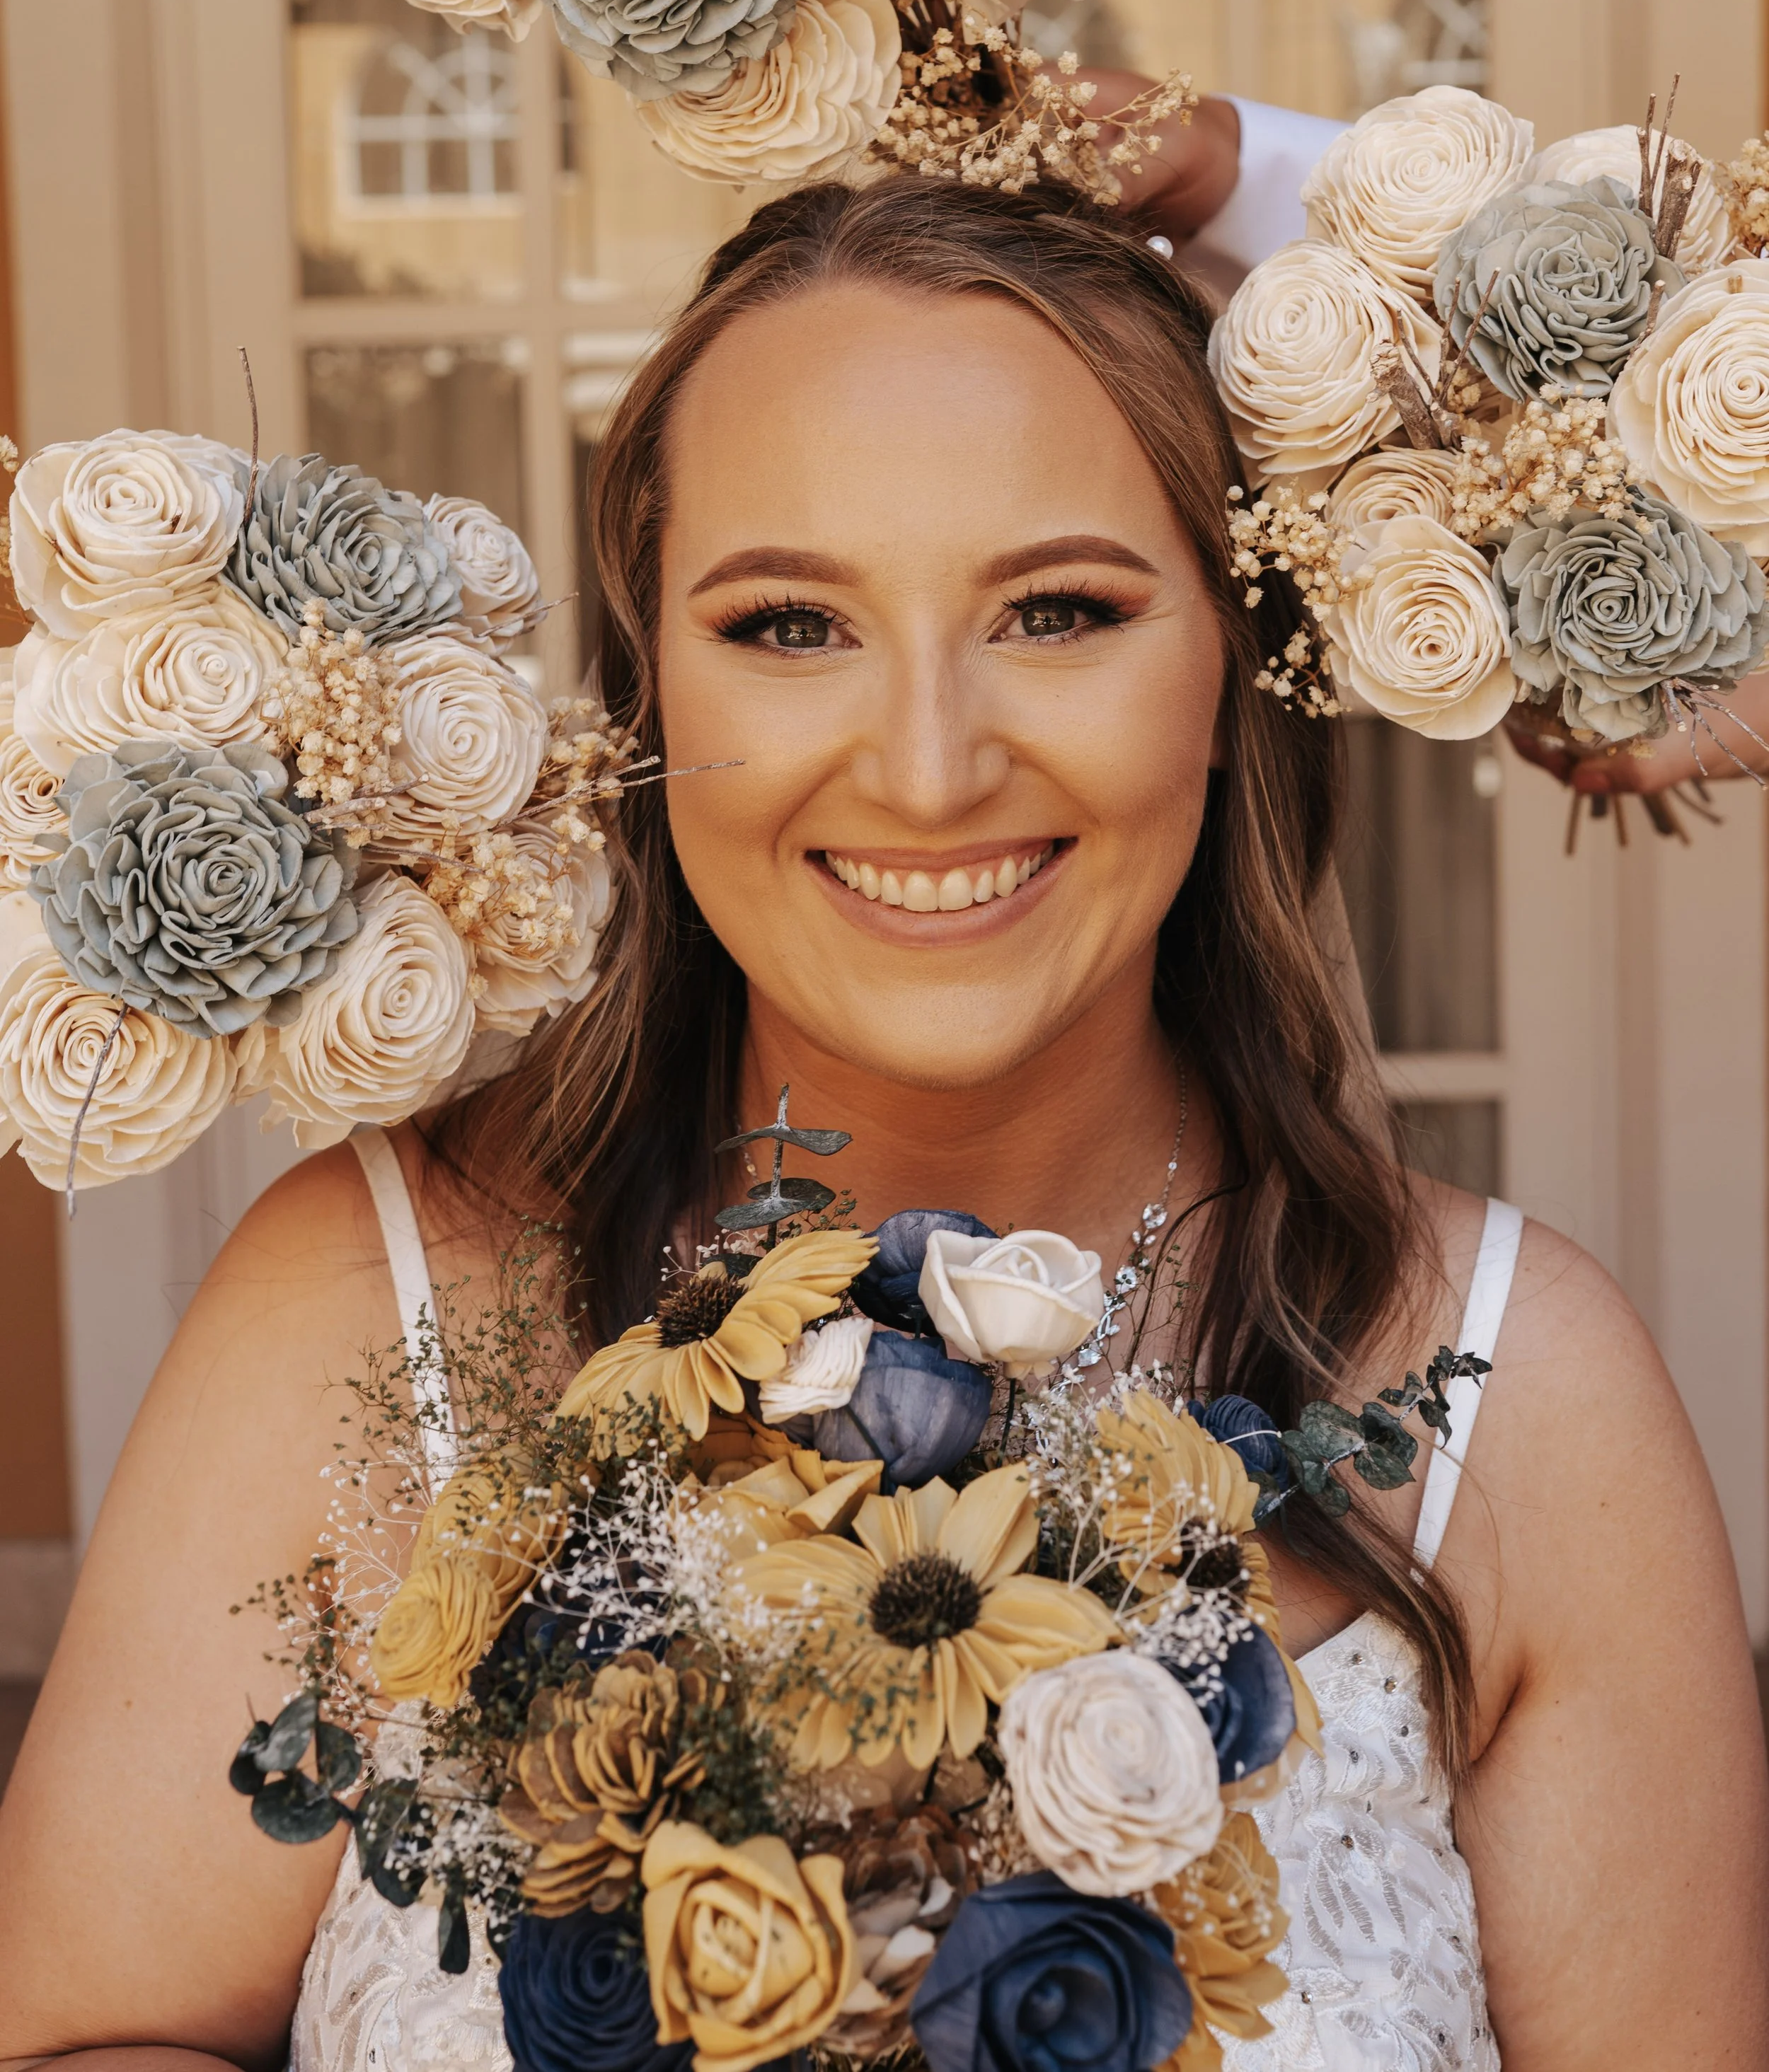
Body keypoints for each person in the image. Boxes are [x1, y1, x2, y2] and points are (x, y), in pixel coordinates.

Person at [1, 130, 1765, 2072]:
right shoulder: (361, 1297)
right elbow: (90, 2030)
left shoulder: (1530, 1396)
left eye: (1058, 610)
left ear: (1232, 671)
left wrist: (1274, 172)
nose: (927, 770)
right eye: (786, 623)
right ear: (650, 689)